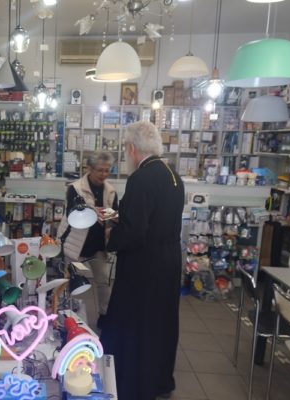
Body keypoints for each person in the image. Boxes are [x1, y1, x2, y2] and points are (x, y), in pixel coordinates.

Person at [101, 121, 184, 400]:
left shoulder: (141, 178)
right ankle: (160, 380)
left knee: (137, 320)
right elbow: (155, 218)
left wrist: (111, 234)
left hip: (145, 263)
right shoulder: (173, 175)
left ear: (132, 148)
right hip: (169, 258)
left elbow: (135, 230)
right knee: (162, 319)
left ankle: (133, 381)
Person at [58, 151, 118, 329]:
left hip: (99, 246)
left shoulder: (110, 191)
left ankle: (105, 316)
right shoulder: (75, 188)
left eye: (107, 170)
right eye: (100, 170)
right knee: (73, 283)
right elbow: (73, 211)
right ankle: (70, 317)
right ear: (89, 169)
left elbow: (114, 214)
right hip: (76, 245)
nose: (104, 174)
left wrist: (112, 218)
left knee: (104, 282)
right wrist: (94, 211)